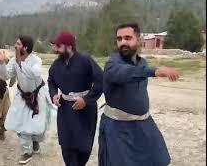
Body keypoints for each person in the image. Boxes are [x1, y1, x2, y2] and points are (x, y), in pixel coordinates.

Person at [98, 23, 179, 166]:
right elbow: (125, 73)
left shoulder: (142, 63)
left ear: (138, 40)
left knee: (159, 160)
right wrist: (154, 71)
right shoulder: (112, 64)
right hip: (118, 128)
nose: (123, 42)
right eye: (119, 39)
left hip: (143, 124)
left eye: (128, 38)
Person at [48, 31, 104, 166]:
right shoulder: (57, 64)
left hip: (85, 111)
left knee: (84, 148)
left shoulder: (85, 60)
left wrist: (86, 99)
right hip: (65, 109)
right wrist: (54, 94)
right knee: (67, 146)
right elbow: (51, 81)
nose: (56, 49)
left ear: (69, 46)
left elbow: (101, 80)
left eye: (59, 46)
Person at [0, 35, 53, 164]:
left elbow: (33, 74)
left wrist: (20, 62)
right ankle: (26, 152)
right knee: (21, 123)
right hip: (22, 96)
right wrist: (1, 63)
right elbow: (5, 75)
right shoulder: (14, 61)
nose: (15, 46)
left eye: (18, 44)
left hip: (38, 95)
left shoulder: (36, 60)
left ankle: (35, 141)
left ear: (25, 47)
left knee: (38, 125)